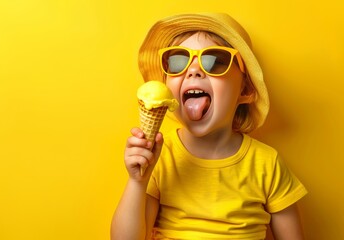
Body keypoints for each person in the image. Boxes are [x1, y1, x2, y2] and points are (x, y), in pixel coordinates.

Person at [111, 13, 307, 240]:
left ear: (244, 90)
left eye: (214, 60)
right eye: (177, 61)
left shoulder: (267, 163)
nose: (193, 70)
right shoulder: (160, 155)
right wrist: (138, 181)